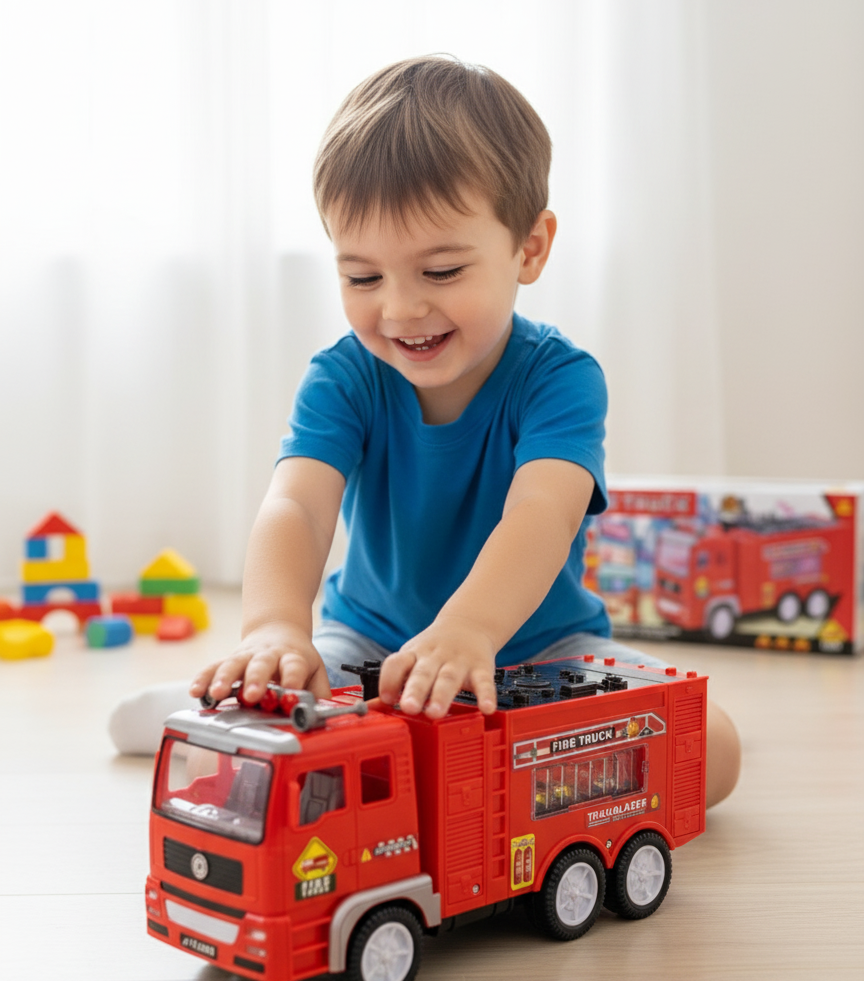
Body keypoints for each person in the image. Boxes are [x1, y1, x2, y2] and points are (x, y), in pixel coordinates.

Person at [110, 55, 739, 807]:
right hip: (369, 646)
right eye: (363, 278)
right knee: (276, 726)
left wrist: (470, 629)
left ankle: (482, 766)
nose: (401, 310)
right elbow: (299, 507)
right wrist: (274, 628)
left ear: (530, 248)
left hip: (542, 652)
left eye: (440, 272)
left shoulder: (561, 378)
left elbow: (541, 511)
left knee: (717, 750)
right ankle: (238, 712)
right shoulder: (343, 377)